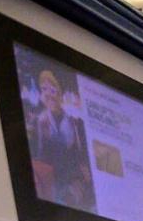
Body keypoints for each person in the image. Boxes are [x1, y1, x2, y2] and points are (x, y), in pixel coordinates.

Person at [28, 69, 94, 211]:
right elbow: (37, 158)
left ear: (61, 92)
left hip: (73, 182)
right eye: (44, 89)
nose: (48, 94)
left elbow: (83, 160)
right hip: (48, 185)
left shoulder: (76, 121)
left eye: (52, 89)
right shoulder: (39, 121)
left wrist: (78, 180)